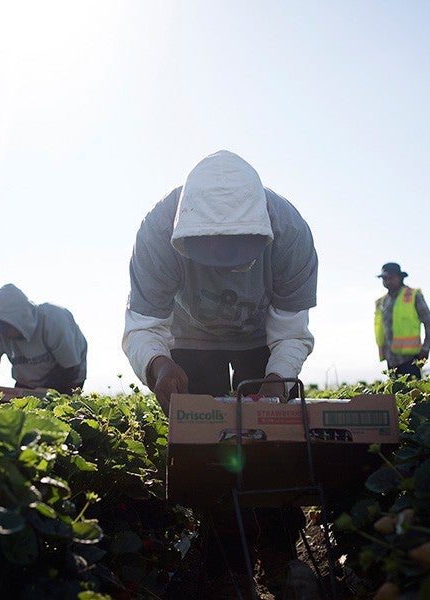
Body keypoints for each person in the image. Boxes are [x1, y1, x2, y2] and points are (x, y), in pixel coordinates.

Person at [122, 149, 318, 596]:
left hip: (260, 335)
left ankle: (277, 549)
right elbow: (144, 324)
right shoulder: (157, 232)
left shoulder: (290, 233)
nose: (227, 265)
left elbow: (291, 329)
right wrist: (159, 365)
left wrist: (276, 382)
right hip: (190, 337)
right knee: (208, 446)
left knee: (272, 436)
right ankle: (225, 558)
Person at [0, 283, 88, 394]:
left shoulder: (53, 320)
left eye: (6, 328)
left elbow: (70, 368)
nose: (2, 333)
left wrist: (45, 391)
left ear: (20, 320)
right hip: (27, 384)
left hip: (68, 377)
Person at [374, 262, 430, 379]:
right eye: (384, 278)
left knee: (413, 394)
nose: (387, 280)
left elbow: (429, 323)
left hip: (411, 359)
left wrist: (426, 348)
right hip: (391, 361)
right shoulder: (382, 302)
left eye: (390, 277)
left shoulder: (413, 295)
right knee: (395, 396)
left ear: (400, 277)